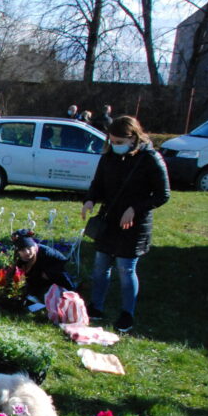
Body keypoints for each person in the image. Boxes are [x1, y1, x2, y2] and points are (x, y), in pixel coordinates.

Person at [81, 115, 170, 333]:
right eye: (112, 141)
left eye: (119, 142)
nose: (114, 146)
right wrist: (90, 200)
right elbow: (98, 184)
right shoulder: (109, 157)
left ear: (133, 138)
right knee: (101, 266)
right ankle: (96, 306)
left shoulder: (150, 158)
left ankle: (126, 313)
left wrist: (135, 208)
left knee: (125, 268)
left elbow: (163, 194)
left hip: (134, 226)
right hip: (109, 221)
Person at [11, 229, 74, 297]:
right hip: (39, 273)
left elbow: (63, 270)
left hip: (55, 271)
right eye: (23, 250)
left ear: (33, 246)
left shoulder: (45, 253)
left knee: (44, 275)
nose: (27, 252)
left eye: (29, 248)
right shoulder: (19, 257)